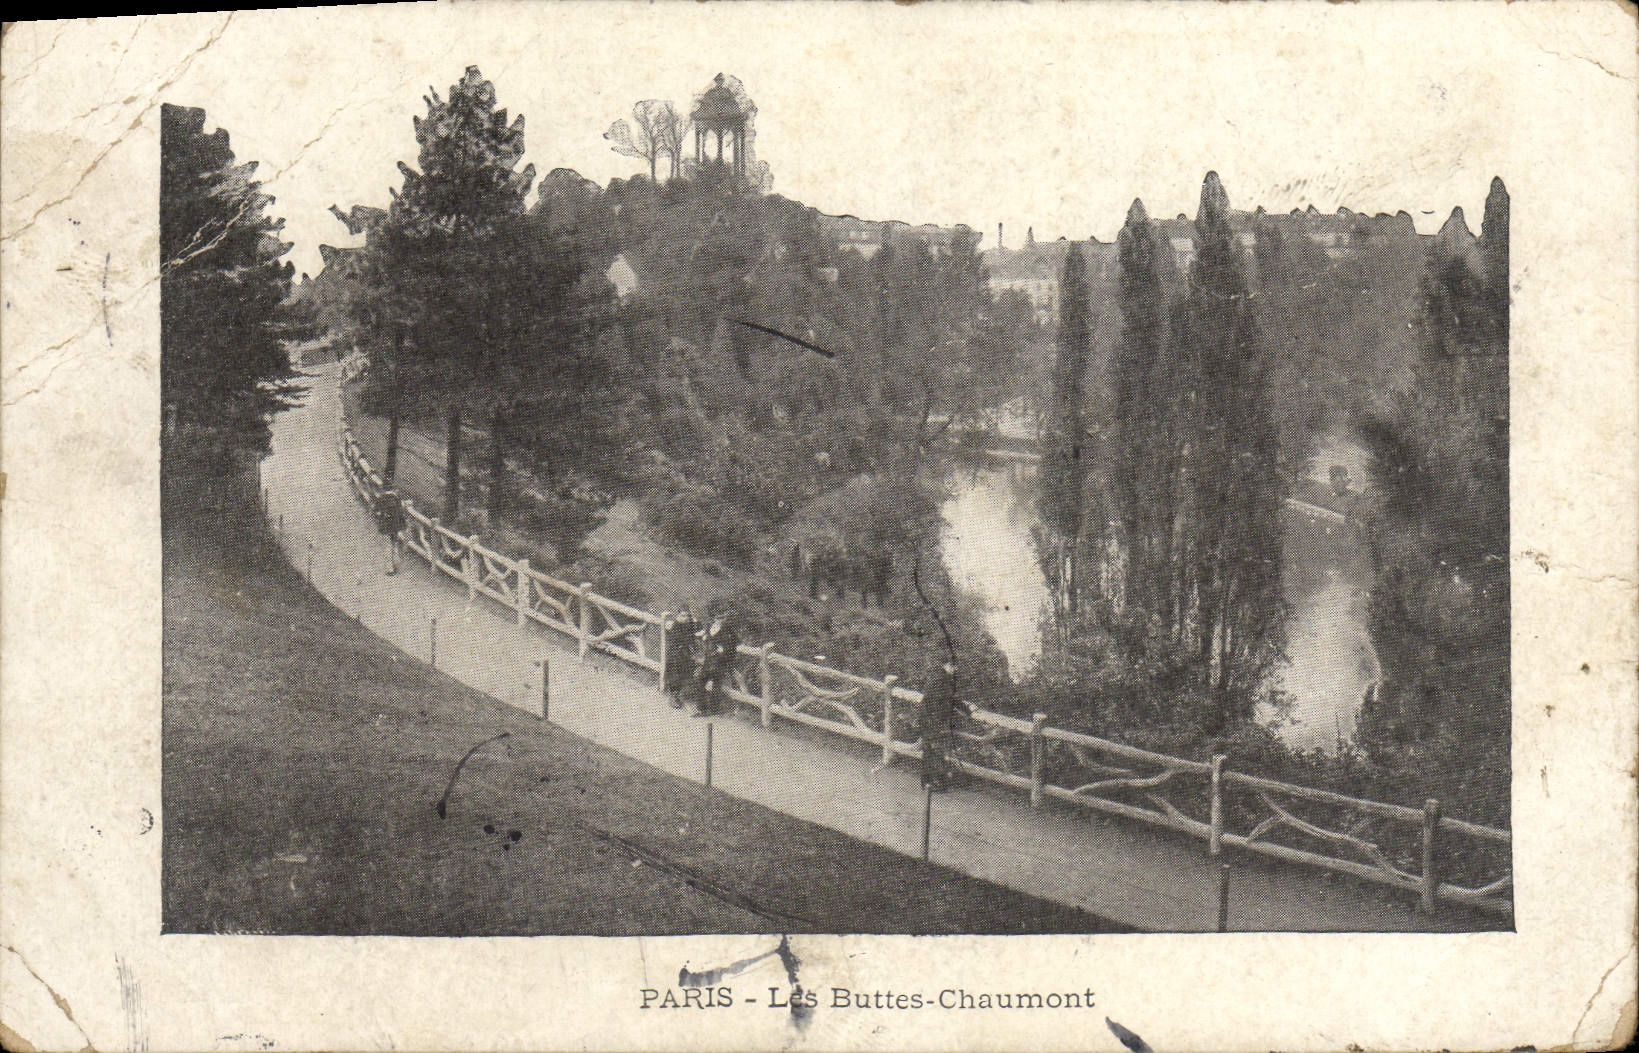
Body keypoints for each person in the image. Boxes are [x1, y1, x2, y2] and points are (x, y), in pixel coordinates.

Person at [919, 659, 974, 791]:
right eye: (952, 666)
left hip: (931, 720)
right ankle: (935, 783)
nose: (954, 669)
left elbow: (951, 699)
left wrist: (966, 709)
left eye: (955, 666)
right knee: (934, 751)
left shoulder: (943, 679)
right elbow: (934, 701)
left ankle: (928, 782)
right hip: (932, 720)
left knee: (930, 751)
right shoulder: (940, 680)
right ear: (945, 665)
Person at [695, 612, 740, 717]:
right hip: (709, 659)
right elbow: (703, 636)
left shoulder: (728, 629)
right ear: (714, 618)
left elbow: (736, 642)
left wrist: (725, 649)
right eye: (718, 617)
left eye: (722, 617)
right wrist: (703, 637)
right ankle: (702, 708)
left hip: (720, 660)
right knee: (702, 680)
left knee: (716, 682)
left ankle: (713, 709)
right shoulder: (710, 626)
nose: (720, 620)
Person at [663, 607, 700, 709]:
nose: (685, 618)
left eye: (687, 616)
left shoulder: (688, 625)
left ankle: (680, 694)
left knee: (685, 671)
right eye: (682, 616)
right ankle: (673, 696)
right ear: (677, 615)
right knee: (675, 672)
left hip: (685, 653)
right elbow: (677, 638)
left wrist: (694, 619)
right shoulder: (674, 625)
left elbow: (699, 628)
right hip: (675, 653)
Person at [376, 489, 407, 575]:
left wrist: (381, 517)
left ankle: (389, 568)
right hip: (394, 527)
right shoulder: (397, 498)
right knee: (394, 545)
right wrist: (402, 526)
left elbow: (376, 511)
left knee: (387, 546)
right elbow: (400, 514)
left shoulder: (381, 498)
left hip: (385, 527)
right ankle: (395, 565)